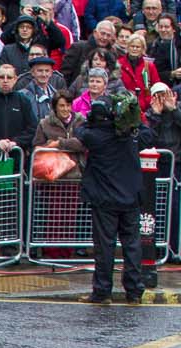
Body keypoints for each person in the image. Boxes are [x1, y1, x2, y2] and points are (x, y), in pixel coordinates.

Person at [81, 86, 154, 302]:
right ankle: (134, 291)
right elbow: (149, 135)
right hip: (130, 198)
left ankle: (102, 291)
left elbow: (81, 130)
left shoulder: (95, 136)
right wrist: (134, 121)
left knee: (105, 247)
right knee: (132, 245)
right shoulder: (131, 136)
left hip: (105, 201)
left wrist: (95, 119)